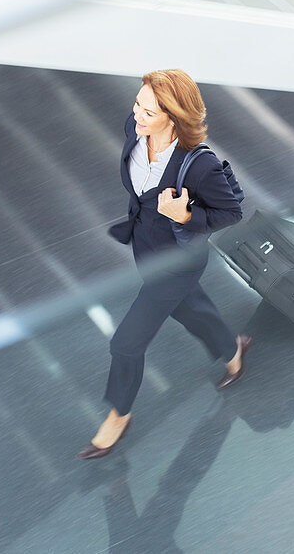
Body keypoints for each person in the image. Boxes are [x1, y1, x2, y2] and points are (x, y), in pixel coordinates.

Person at [78, 69, 250, 460]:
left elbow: (230, 212)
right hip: (145, 250)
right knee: (190, 310)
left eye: (149, 111)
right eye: (137, 103)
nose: (137, 115)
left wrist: (186, 216)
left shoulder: (199, 166)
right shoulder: (135, 129)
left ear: (173, 118)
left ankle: (119, 415)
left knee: (125, 343)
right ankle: (233, 350)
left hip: (177, 262)